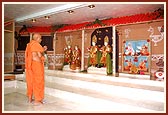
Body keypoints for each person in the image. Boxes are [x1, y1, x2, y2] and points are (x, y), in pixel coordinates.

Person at [25, 33, 46, 106]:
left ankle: (30, 98)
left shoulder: (30, 44)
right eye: (40, 38)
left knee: (31, 80)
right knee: (38, 81)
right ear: (36, 38)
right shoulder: (35, 44)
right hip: (36, 65)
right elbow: (35, 56)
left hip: (31, 66)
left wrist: (42, 51)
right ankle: (38, 99)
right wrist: (41, 61)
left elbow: (38, 54)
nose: (41, 40)